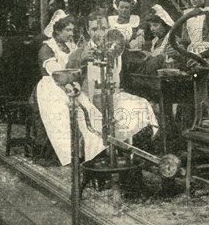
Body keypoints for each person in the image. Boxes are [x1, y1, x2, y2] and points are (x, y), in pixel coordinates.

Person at [67, 10, 159, 148]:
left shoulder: (117, 49)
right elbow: (69, 77)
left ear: (109, 28)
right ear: (87, 30)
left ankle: (128, 150)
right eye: (94, 29)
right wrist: (81, 60)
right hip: (89, 100)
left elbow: (139, 65)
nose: (100, 34)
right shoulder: (79, 53)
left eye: (103, 28)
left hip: (112, 97)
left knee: (140, 105)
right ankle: (106, 149)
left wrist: (158, 58)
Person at [32, 15, 106, 166]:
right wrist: (69, 84)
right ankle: (67, 155)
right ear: (57, 31)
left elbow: (76, 68)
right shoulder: (47, 48)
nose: (71, 34)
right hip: (50, 87)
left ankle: (94, 150)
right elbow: (55, 71)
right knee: (61, 112)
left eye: (73, 30)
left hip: (70, 84)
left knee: (89, 109)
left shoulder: (71, 46)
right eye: (68, 30)